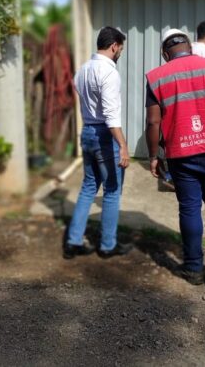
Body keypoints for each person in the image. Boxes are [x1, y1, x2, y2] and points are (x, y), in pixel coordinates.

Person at [145, 28, 205, 285]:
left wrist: (154, 155)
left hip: (182, 154)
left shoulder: (157, 77)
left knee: (189, 207)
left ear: (165, 53)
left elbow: (153, 122)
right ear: (189, 46)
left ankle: (194, 268)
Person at [64, 26, 133, 259]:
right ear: (114, 45)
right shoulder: (109, 73)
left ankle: (73, 241)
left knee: (88, 187)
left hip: (87, 132)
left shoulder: (82, 71)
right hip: (105, 136)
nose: (120, 52)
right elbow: (111, 116)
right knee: (112, 190)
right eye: (121, 47)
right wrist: (123, 145)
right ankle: (107, 245)